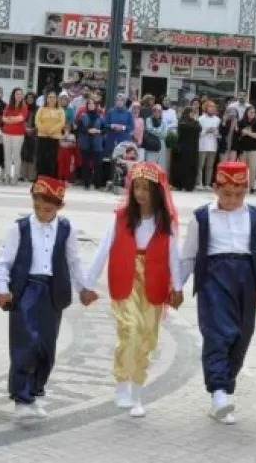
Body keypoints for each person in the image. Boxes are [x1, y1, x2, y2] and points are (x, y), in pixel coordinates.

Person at [177, 162, 256, 425]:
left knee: (241, 337)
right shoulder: (201, 217)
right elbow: (188, 255)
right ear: (215, 189)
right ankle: (218, 391)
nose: (232, 200)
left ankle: (225, 389)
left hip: (246, 279)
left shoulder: (255, 215)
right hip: (213, 278)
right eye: (226, 194)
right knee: (218, 334)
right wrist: (177, 286)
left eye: (239, 195)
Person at [83, 162, 180, 418]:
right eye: (136, 187)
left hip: (154, 282)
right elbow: (103, 249)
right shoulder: (121, 217)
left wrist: (178, 287)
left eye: (146, 189)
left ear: (157, 192)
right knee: (129, 328)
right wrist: (87, 284)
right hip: (125, 279)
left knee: (147, 337)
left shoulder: (166, 221)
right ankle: (121, 383)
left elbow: (173, 256)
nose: (140, 194)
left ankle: (137, 394)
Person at [0, 176, 93, 419]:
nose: (41, 213)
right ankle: (21, 398)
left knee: (46, 346)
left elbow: (73, 261)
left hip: (52, 292)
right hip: (26, 290)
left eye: (48, 209)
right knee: (25, 344)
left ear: (59, 207)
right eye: (37, 207)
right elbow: (3, 261)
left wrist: (83, 288)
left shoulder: (67, 229)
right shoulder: (19, 228)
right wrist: (1, 288)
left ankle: (35, 392)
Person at [1, 88, 28, 185]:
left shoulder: (24, 106)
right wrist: (12, 119)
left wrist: (11, 119)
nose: (19, 96)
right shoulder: (9, 106)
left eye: (21, 94)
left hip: (18, 134)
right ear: (13, 95)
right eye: (17, 94)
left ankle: (16, 175)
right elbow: (3, 118)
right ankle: (7, 175)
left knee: (16, 155)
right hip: (6, 133)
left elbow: (21, 119)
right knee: (7, 155)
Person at [35, 91, 65, 178]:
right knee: (41, 158)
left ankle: (51, 178)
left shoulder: (60, 110)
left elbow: (61, 122)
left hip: (54, 137)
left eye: (53, 97)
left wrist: (52, 130)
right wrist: (44, 130)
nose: (51, 99)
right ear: (46, 99)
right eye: (50, 97)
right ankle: (40, 178)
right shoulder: (41, 109)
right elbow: (37, 121)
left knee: (52, 159)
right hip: (42, 136)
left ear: (56, 99)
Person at [196, 101, 220, 190]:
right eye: (210, 107)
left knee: (210, 166)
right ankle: (199, 183)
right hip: (202, 144)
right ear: (206, 108)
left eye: (213, 107)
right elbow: (198, 133)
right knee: (200, 165)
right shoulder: (201, 119)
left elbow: (219, 134)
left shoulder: (217, 119)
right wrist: (206, 131)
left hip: (213, 145)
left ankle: (207, 183)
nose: (212, 109)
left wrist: (215, 132)